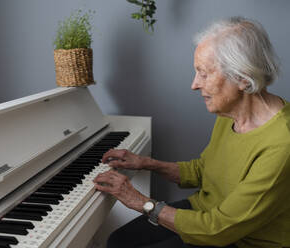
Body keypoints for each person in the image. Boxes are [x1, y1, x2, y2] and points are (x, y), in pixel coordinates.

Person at [93, 16, 290, 248]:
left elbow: (217, 230)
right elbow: (204, 170)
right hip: (205, 212)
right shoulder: (231, 112)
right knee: (119, 241)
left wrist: (140, 202)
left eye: (204, 73)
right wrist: (146, 163)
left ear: (243, 78)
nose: (194, 84)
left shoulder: (282, 144)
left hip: (237, 238)